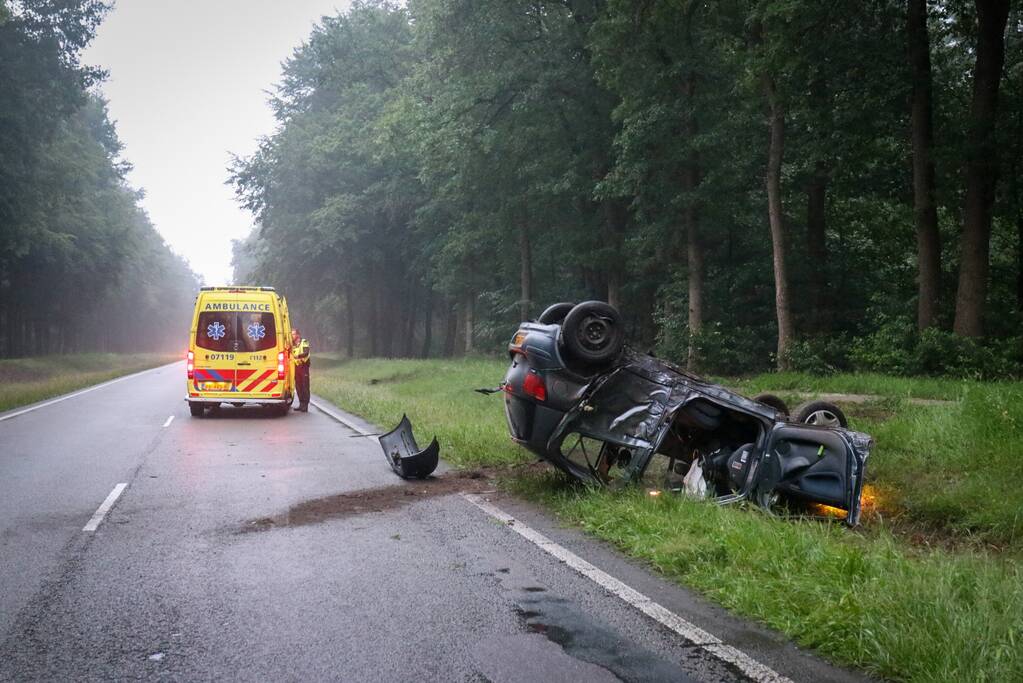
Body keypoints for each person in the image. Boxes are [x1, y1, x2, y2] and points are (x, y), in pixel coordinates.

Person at [291, 328, 310, 411]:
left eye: (293, 334)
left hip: (303, 367)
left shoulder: (304, 342)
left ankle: (305, 405)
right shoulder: (292, 344)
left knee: (305, 386)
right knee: (298, 387)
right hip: (296, 367)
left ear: (298, 335)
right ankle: (301, 404)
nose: (292, 336)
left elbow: (306, 352)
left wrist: (297, 356)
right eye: (291, 334)